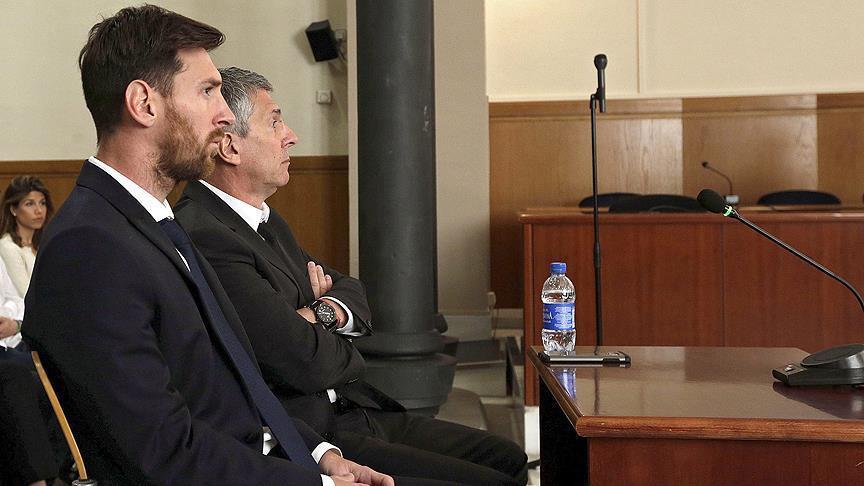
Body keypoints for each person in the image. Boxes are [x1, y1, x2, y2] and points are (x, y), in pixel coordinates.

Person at [22, 6, 395, 485]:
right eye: (207, 91)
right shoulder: (91, 246)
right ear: (144, 103)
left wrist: (318, 453)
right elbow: (162, 450)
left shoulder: (151, 221)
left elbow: (230, 387)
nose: (224, 115)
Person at [175, 66, 528, 486]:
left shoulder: (263, 217)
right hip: (315, 436)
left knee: (508, 458)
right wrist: (326, 324)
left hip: (354, 407)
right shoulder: (207, 233)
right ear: (230, 146)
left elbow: (351, 289)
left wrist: (317, 313)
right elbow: (303, 362)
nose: (291, 136)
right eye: (275, 122)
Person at [0, 176, 53, 298]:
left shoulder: (45, 243)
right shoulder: (8, 246)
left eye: (42, 203)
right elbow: (26, 294)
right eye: (30, 204)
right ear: (13, 209)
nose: (39, 210)